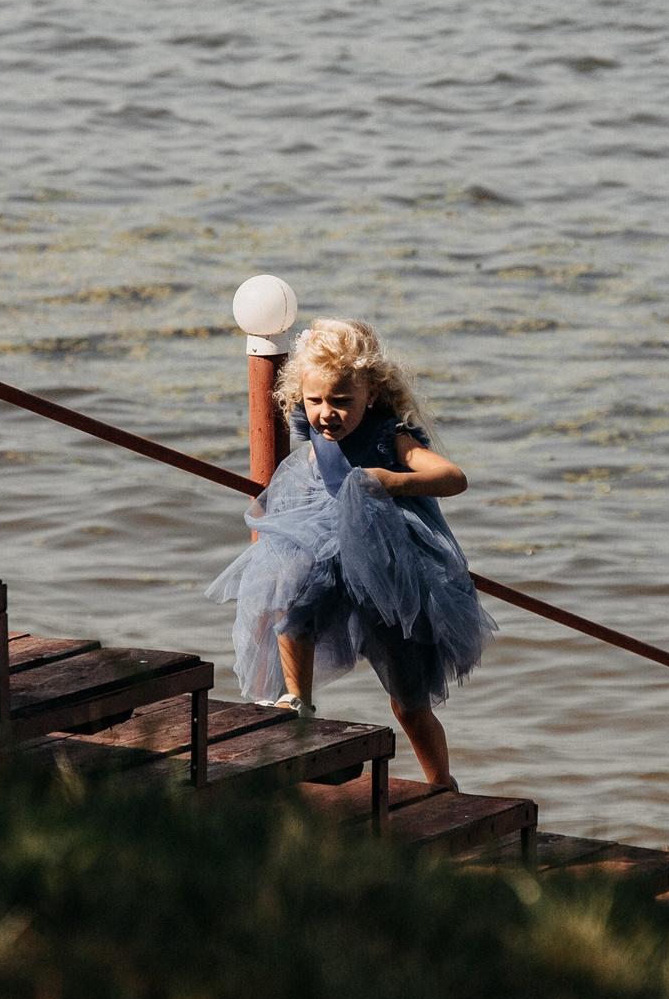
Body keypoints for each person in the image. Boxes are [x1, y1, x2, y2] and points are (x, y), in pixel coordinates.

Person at [207, 317, 492, 790]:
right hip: (324, 537)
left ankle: (442, 782)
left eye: (342, 402)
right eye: (315, 400)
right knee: (292, 588)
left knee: (408, 700)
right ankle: (297, 697)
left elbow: (453, 477)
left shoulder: (388, 436)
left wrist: (393, 481)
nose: (326, 414)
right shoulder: (312, 428)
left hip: (388, 560)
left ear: (371, 395)